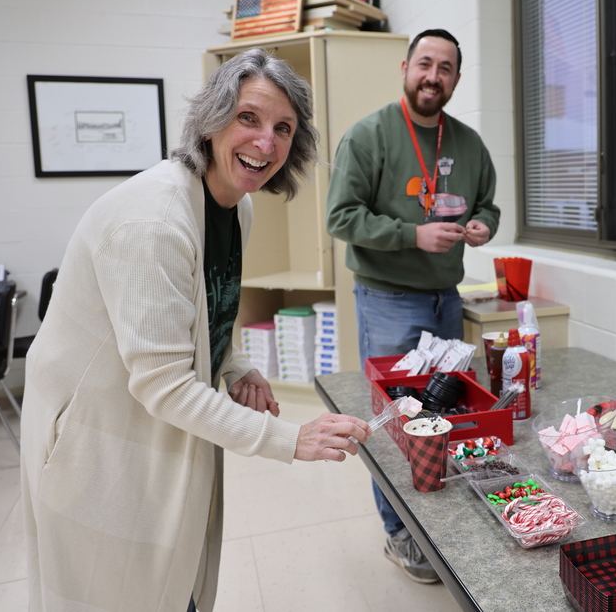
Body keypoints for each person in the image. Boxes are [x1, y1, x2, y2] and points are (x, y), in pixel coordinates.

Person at [20, 48, 372, 612]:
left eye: (283, 128)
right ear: (210, 122)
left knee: (172, 574)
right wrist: (292, 440)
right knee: (109, 587)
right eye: (248, 118)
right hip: (94, 430)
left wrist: (233, 366)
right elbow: (163, 383)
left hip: (147, 417)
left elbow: (207, 310)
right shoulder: (154, 221)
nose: (266, 143)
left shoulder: (237, 206)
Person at [325, 29, 500, 584]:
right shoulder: (369, 136)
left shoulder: (468, 143)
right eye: (425, 63)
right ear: (405, 67)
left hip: (447, 300)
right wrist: (412, 235)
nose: (433, 76)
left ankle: (439, 519)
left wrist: (482, 226)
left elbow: (490, 204)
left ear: (455, 78)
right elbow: (340, 217)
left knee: (444, 413)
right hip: (387, 299)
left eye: (445, 68)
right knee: (398, 418)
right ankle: (399, 533)